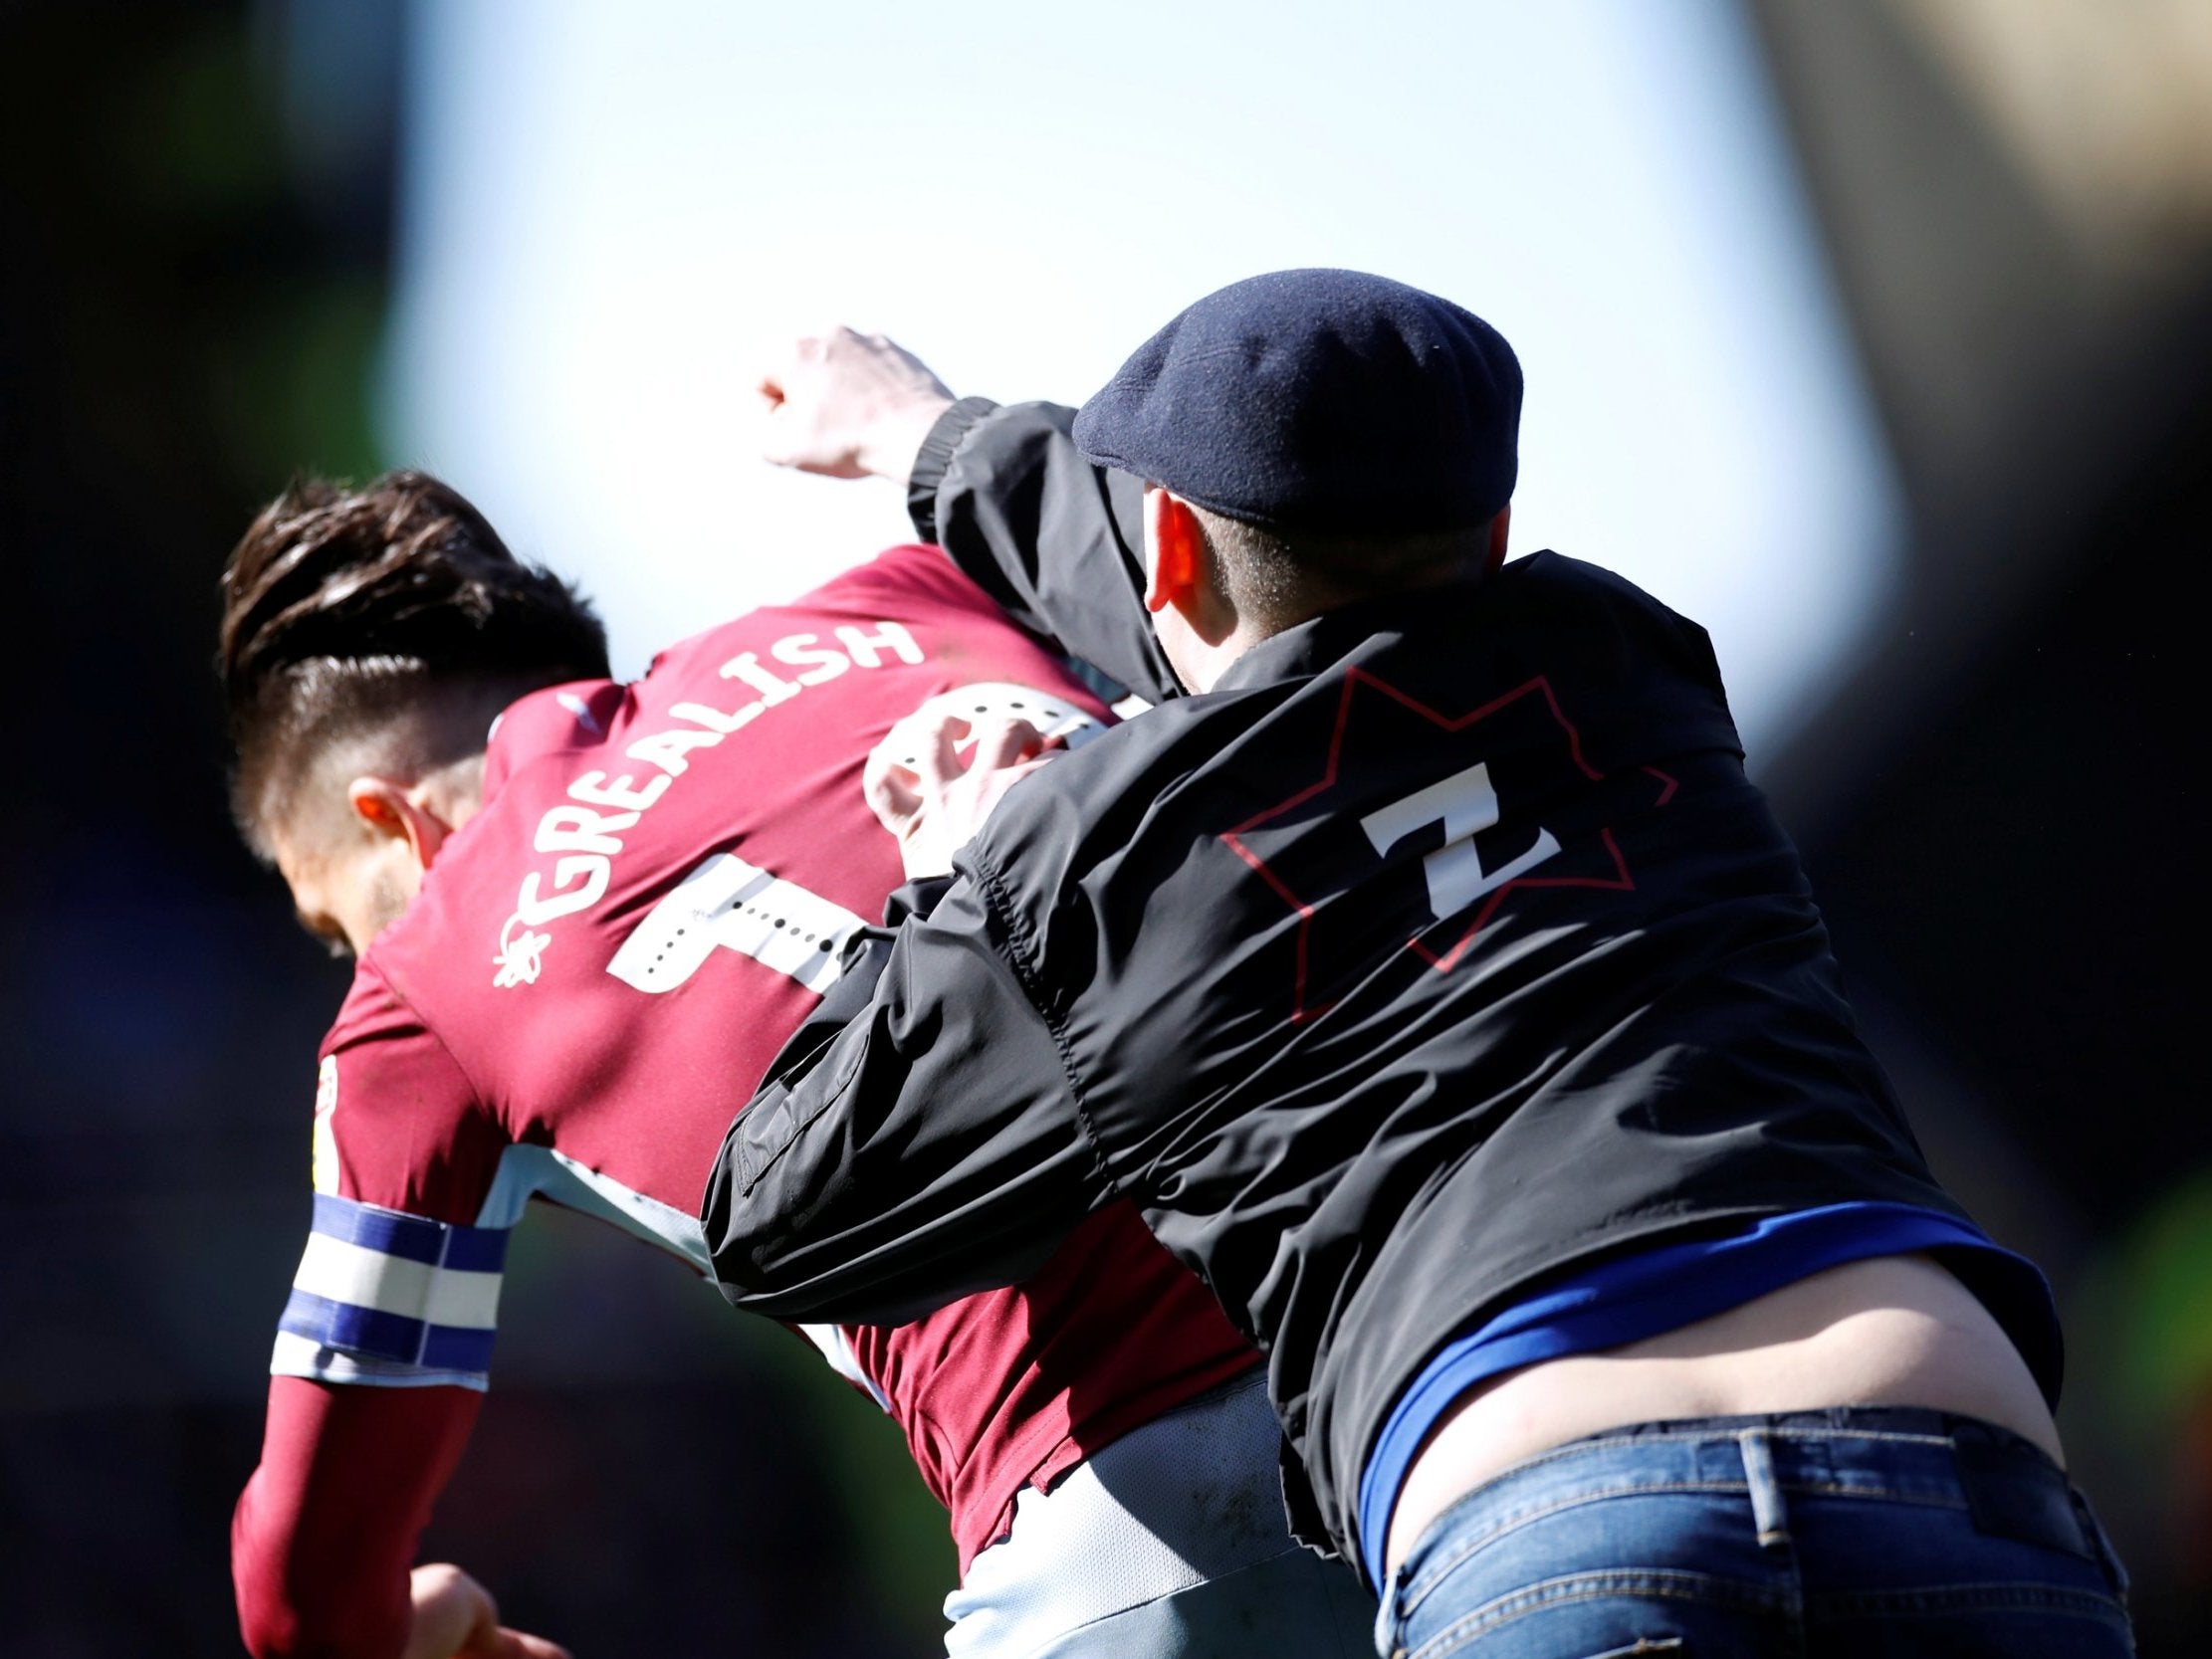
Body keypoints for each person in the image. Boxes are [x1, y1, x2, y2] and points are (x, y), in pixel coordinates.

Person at [705, 272, 2136, 1657]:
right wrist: (931, 441)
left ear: (1168, 549)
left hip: (1549, 1516)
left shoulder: (1089, 859)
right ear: (1497, 523)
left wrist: (953, 870)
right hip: (1956, 1456)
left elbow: (783, 1216)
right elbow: (1251, 604)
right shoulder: (1625, 670)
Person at [217, 469, 1378, 1659]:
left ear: (392, 822)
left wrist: (409, 1632)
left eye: (334, 927)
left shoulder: (420, 982)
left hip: (1141, 1528)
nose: (355, 959)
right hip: (1447, 1340)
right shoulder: (906, 597)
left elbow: (303, 1599)